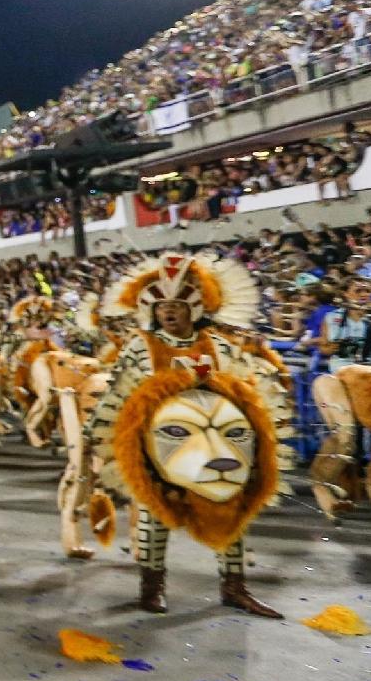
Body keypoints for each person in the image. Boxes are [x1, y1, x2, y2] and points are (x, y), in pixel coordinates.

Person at [88, 253, 282, 617]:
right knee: (154, 513)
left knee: (230, 506)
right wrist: (93, 433)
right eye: (163, 307)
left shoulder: (218, 345)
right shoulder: (139, 346)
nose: (169, 313)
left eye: (177, 305)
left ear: (193, 308)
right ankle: (152, 588)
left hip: (217, 442)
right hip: (158, 448)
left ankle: (234, 587)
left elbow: (245, 384)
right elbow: (117, 390)